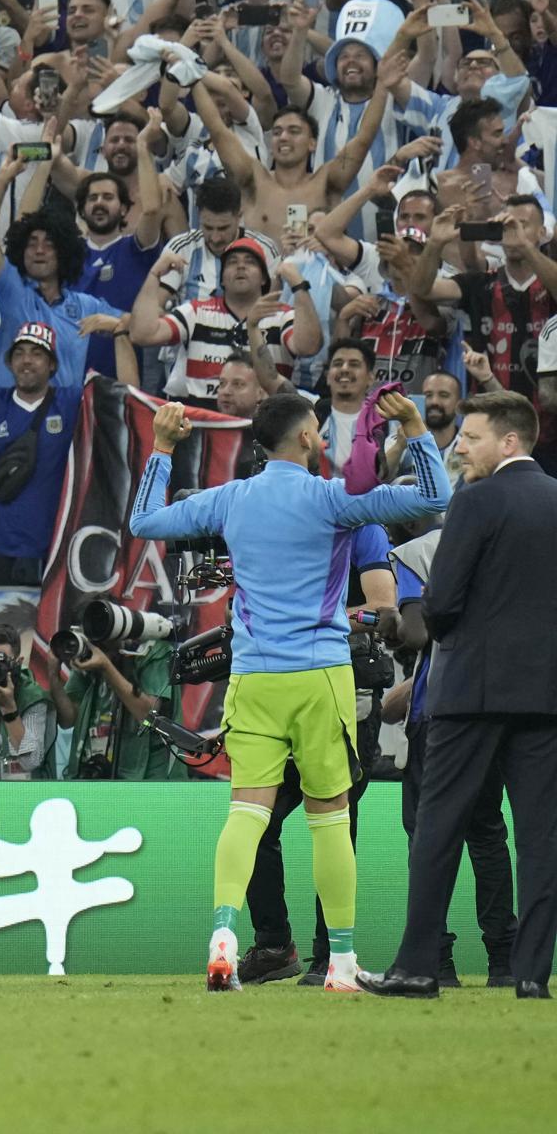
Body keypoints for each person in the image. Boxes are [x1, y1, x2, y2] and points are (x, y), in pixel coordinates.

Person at [130, 389, 451, 992]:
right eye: (319, 431)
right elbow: (436, 496)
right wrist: (414, 428)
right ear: (305, 438)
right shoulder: (335, 500)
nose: (325, 438)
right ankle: (342, 963)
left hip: (253, 678)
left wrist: (163, 448)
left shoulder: (230, 499)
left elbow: (144, 522)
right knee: (330, 817)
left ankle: (224, 934)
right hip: (320, 676)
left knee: (248, 811)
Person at [362, 389, 554, 1000]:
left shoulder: (476, 500)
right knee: (540, 837)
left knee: (439, 828)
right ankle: (530, 976)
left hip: (469, 690)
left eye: (471, 438)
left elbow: (439, 605)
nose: (460, 448)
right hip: (545, 695)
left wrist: (439, 623)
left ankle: (418, 967)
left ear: (510, 442)